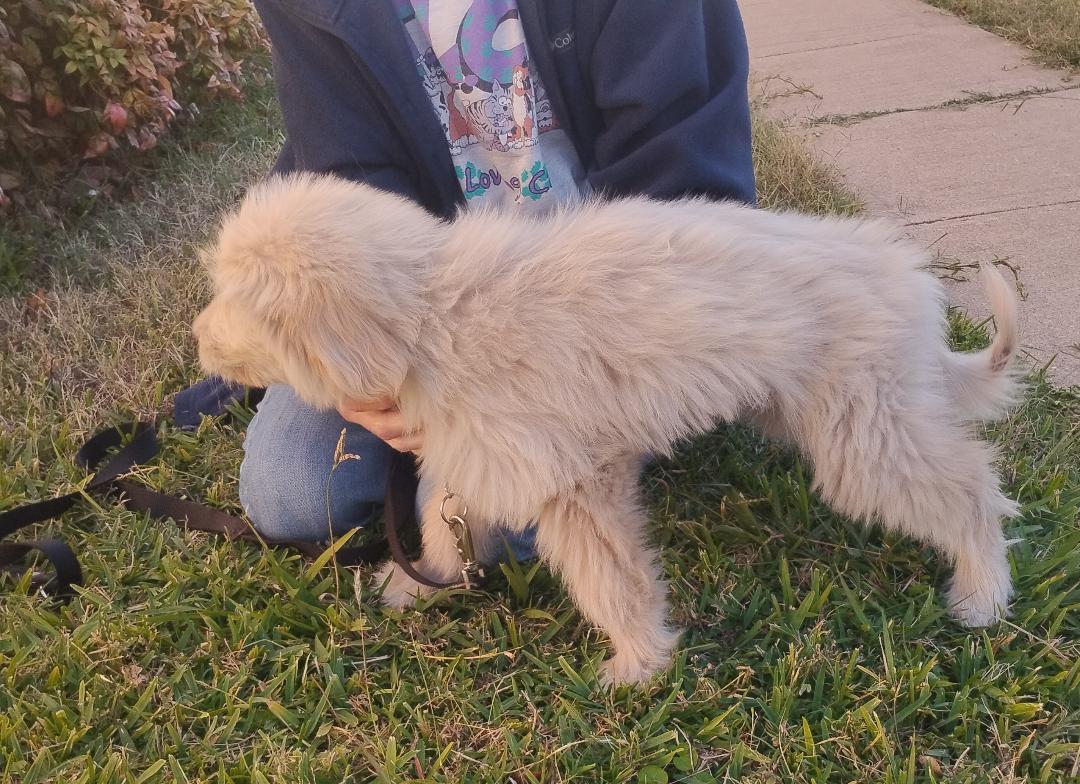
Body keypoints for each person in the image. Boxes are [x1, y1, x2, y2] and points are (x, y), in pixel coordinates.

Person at [175, 0, 756, 557]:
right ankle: (467, 457)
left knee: (498, 520)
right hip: (433, 303)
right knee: (295, 493)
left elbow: (684, 191)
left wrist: (530, 385)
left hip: (599, 298)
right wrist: (371, 365)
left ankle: (565, 446)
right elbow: (348, 170)